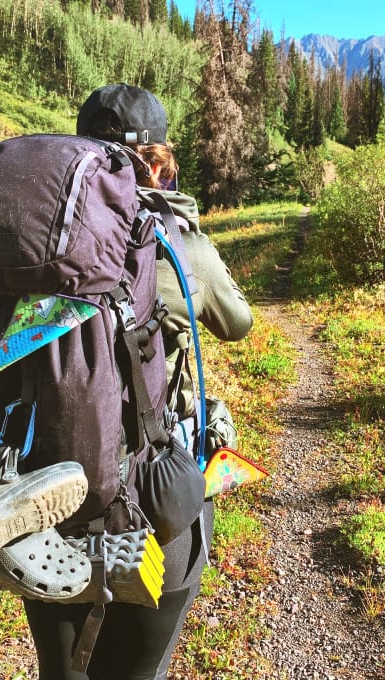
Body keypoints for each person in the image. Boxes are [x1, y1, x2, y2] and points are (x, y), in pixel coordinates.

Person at [22, 83, 253, 680]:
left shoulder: (44, 246)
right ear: (158, 160)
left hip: (49, 496)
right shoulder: (177, 243)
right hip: (152, 495)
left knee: (62, 673)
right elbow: (237, 322)